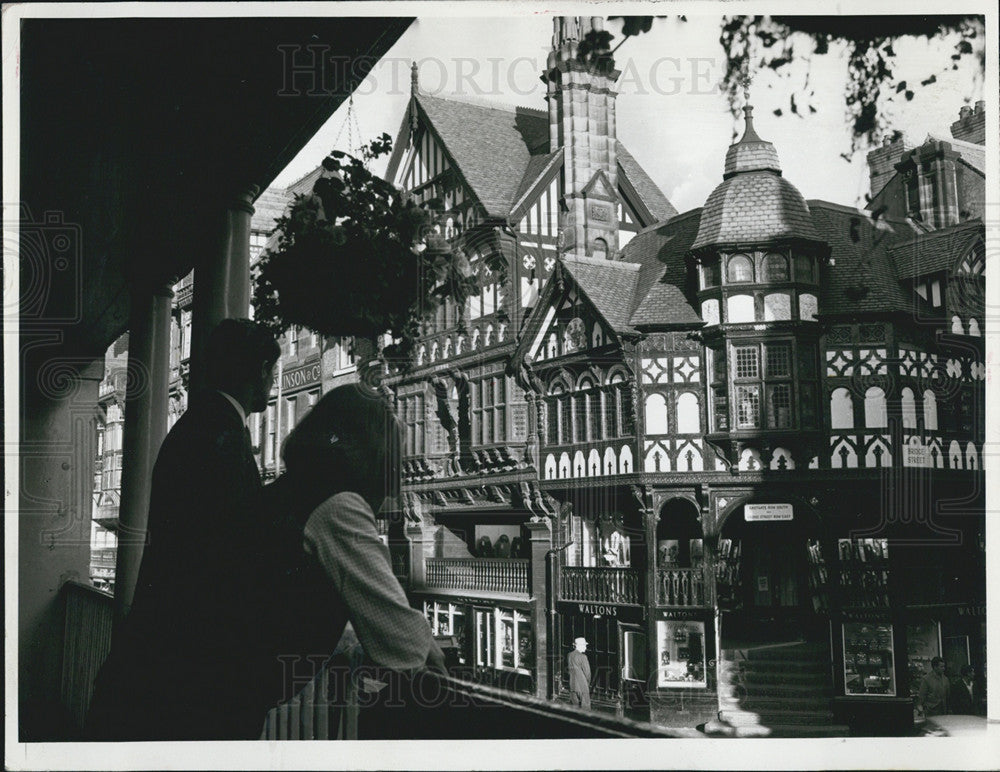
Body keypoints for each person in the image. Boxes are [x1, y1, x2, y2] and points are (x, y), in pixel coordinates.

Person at [87, 318, 283, 740]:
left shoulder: (195, 427)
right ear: (256, 371)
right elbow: (229, 556)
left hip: (162, 653)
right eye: (269, 370)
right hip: (192, 670)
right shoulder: (222, 438)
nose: (270, 381)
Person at [567, 636, 592, 710]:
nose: (585, 647)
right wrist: (587, 684)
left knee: (575, 709)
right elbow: (587, 673)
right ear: (579, 646)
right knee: (586, 709)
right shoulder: (583, 657)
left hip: (572, 685)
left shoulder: (569, 655)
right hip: (582, 685)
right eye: (584, 645)